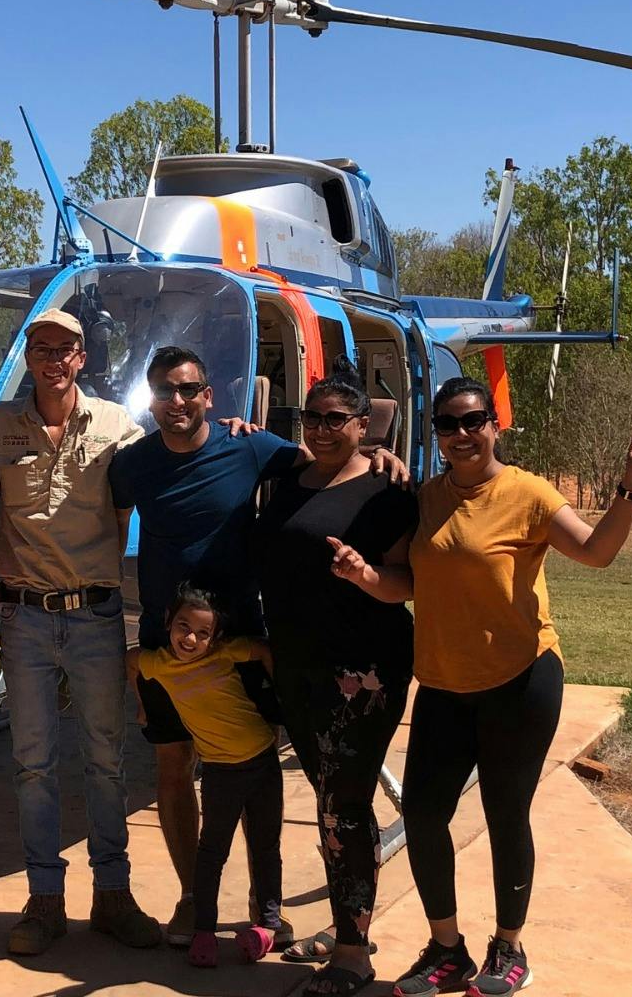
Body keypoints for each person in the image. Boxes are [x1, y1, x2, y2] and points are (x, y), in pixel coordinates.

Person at [329, 376, 632, 997]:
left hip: (520, 679)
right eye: (447, 424)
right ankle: (446, 950)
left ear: (494, 425)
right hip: (444, 683)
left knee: (506, 813)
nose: (461, 434)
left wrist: (630, 490)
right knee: (424, 814)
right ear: (436, 433)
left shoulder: (527, 493)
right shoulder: (425, 498)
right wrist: (365, 576)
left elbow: (596, 552)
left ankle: (509, 949)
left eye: (473, 420)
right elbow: (408, 582)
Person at [109, 345, 409, 948]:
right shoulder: (131, 465)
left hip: (242, 638)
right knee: (173, 766)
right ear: (151, 398)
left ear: (208, 395)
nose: (177, 400)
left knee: (253, 769)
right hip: (166, 639)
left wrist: (380, 455)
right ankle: (193, 898)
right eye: (165, 390)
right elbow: (113, 540)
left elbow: (325, 459)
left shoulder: (250, 447)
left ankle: (262, 906)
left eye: (189, 389)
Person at [0, 308, 164, 956]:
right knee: (33, 764)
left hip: (94, 617)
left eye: (65, 350)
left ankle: (113, 894)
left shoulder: (116, 425)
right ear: (28, 356)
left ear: (82, 357)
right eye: (42, 349)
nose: (53, 360)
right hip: (24, 618)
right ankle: (44, 899)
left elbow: (171, 463)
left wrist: (236, 433)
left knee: (106, 760)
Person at [254, 357, 419, 997]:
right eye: (311, 418)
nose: (321, 430)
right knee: (333, 801)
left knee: (341, 804)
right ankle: (351, 925)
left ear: (362, 425)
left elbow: (405, 583)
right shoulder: (286, 479)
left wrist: (365, 575)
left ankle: (351, 955)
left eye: (335, 419)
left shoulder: (386, 491)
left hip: (365, 671)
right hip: (298, 666)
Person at [126, 586, 283, 970]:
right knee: (211, 853)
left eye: (202, 633)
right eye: (183, 627)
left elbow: (263, 649)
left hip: (263, 762)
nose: (191, 639)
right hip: (219, 772)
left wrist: (280, 696)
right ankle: (204, 930)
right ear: (168, 622)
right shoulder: (158, 664)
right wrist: (143, 706)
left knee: (265, 846)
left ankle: (267, 925)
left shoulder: (226, 652)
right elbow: (130, 660)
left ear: (215, 638)